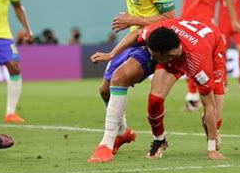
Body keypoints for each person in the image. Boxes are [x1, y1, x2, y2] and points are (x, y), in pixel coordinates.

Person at [78, 0, 176, 163]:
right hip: (135, 38)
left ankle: (106, 144)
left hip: (153, 42)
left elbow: (171, 19)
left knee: (120, 78)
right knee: (104, 90)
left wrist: (134, 20)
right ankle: (122, 133)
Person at [91, 18, 227, 160]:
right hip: (183, 44)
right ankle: (159, 141)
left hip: (212, 49)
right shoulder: (159, 32)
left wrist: (211, 150)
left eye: (154, 56)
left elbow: (209, 105)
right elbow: (136, 33)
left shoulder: (199, 67)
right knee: (155, 100)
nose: (151, 57)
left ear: (169, 56)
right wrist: (111, 54)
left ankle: (212, 131)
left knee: (214, 113)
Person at [164, 0, 240, 112]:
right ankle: (192, 96)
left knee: (203, 58)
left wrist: (234, 20)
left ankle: (199, 94)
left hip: (206, 20)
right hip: (186, 18)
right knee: (185, 56)